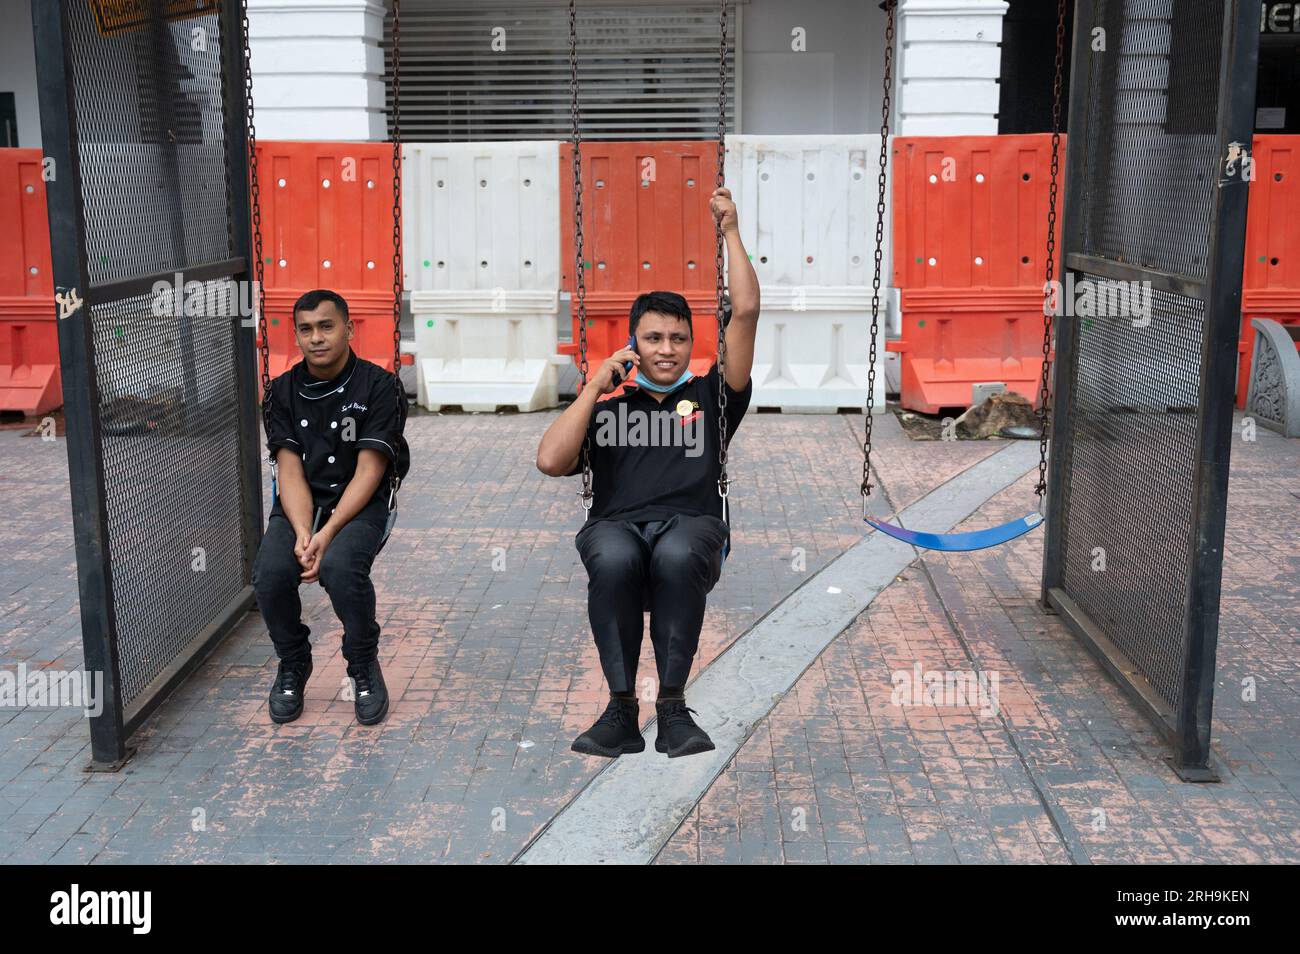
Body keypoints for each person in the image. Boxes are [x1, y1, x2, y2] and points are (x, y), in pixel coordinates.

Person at [536, 187, 760, 759]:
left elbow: (748, 312)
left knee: (676, 556)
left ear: (692, 343)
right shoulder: (607, 404)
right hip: (618, 524)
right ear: (634, 341)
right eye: (654, 337)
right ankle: (620, 710)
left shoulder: (713, 396)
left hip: (692, 525)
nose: (666, 349)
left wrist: (730, 230)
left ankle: (674, 706)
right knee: (613, 558)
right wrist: (593, 386)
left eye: (679, 338)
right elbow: (550, 460)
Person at [252, 289, 409, 726]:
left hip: (358, 503)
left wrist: (327, 535)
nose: (316, 337)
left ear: (348, 328)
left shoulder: (380, 387)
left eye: (326, 326)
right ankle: (293, 661)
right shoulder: (281, 392)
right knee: (270, 574)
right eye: (306, 329)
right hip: (301, 503)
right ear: (297, 336)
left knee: (341, 569)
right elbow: (289, 469)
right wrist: (304, 533)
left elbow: (371, 470)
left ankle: (362, 664)